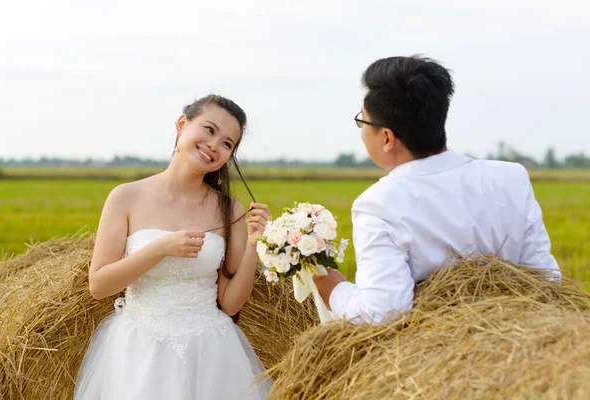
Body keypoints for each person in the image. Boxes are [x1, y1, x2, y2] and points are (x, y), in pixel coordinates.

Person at [314, 55, 561, 324]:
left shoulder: (378, 204)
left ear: (387, 137)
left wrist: (334, 291)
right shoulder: (511, 177)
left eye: (363, 122)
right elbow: (545, 280)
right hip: (518, 339)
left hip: (434, 354)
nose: (361, 131)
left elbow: (383, 313)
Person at [74, 94, 272, 399]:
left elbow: (231, 304)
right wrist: (160, 248)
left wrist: (255, 244)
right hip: (139, 347)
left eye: (227, 144)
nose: (214, 145)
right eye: (209, 130)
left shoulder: (229, 209)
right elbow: (99, 285)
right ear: (182, 124)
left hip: (211, 350)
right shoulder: (125, 197)